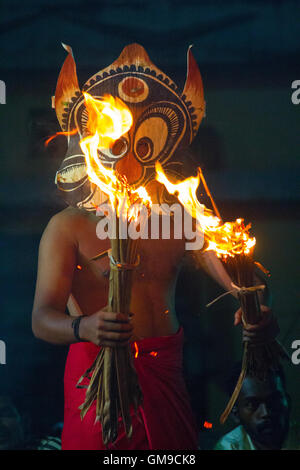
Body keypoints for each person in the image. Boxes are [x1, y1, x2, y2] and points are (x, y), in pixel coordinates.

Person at [214, 364, 294, 450]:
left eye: (274, 401)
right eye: (252, 405)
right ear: (235, 414)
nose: (265, 413)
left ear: (288, 403)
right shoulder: (229, 447)